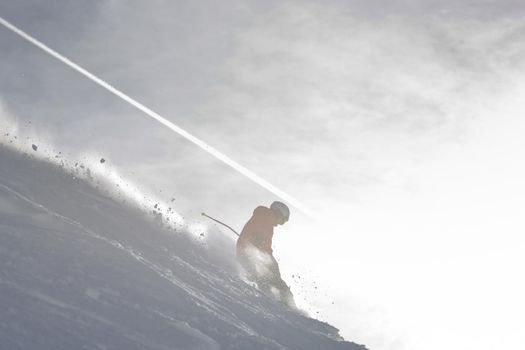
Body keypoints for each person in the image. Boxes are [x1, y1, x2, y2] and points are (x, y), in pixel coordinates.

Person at [236, 201, 296, 309]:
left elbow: (260, 238)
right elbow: (263, 241)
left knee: (264, 279)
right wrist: (270, 260)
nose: (279, 224)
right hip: (248, 255)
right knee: (276, 283)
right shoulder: (267, 218)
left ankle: (274, 298)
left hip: (244, 254)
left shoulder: (263, 216)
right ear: (279, 213)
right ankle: (290, 306)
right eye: (282, 221)